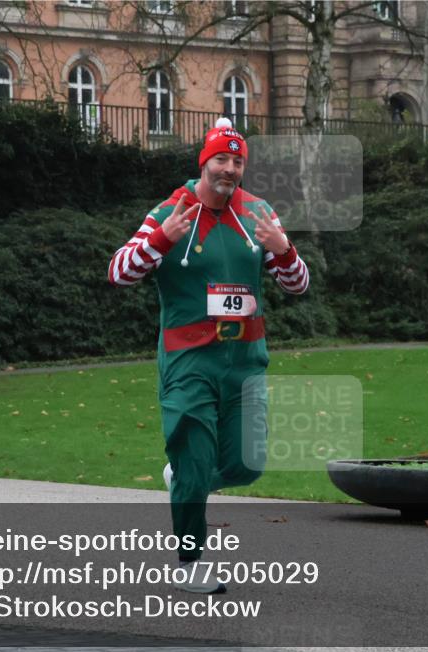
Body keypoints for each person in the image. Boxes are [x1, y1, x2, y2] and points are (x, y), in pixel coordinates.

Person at [108, 118, 309, 593]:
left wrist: (283, 251)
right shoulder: (170, 211)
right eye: (221, 158)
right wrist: (160, 241)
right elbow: (118, 272)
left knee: (248, 464)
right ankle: (191, 563)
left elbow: (298, 284)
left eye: (238, 161)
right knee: (195, 464)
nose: (230, 168)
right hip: (189, 362)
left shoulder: (258, 213)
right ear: (204, 162)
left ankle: (183, 481)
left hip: (245, 362)